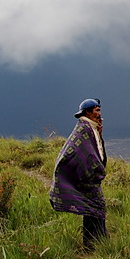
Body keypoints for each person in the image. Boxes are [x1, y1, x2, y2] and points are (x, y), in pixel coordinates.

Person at [49, 98, 108, 250]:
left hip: (90, 178)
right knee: (97, 206)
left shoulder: (91, 128)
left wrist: (100, 134)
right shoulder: (84, 129)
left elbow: (96, 150)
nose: (99, 114)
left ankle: (94, 242)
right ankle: (95, 242)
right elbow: (84, 154)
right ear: (88, 112)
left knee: (92, 208)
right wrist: (93, 172)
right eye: (97, 111)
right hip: (88, 178)